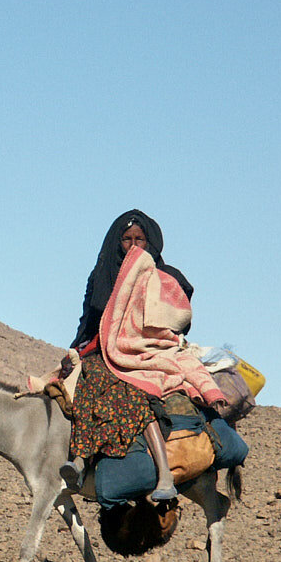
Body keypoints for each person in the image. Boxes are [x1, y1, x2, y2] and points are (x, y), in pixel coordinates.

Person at [59, 210, 225, 503]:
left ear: (151, 244)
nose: (133, 246)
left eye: (140, 239)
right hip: (104, 349)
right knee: (88, 379)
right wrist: (74, 351)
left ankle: (163, 473)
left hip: (148, 350)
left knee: (135, 393)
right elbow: (87, 322)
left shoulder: (165, 278)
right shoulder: (101, 276)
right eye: (126, 239)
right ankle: (80, 461)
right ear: (116, 242)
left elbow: (179, 320)